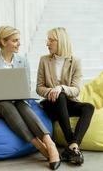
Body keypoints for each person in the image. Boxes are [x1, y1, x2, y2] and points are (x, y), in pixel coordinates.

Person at [0, 26, 61, 170]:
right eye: (15, 41)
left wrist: (17, 94)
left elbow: (26, 88)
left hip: (18, 102)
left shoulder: (22, 61)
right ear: (3, 42)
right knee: (6, 104)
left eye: (19, 40)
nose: (19, 44)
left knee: (22, 104)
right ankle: (38, 145)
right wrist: (0, 95)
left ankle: (49, 143)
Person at [36, 27, 94, 165]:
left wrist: (61, 87)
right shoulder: (44, 60)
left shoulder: (75, 62)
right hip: (51, 104)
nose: (47, 43)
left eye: (51, 40)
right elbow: (39, 87)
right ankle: (72, 143)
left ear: (60, 41)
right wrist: (51, 91)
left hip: (67, 103)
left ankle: (72, 147)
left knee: (89, 107)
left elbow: (76, 90)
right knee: (60, 96)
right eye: (47, 40)